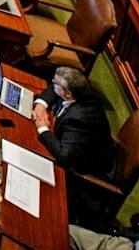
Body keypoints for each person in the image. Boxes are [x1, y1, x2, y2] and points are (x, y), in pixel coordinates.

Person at [33, 65, 116, 211]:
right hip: (75, 146)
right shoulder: (81, 91)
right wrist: (41, 104)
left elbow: (65, 156)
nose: (52, 84)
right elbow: (54, 90)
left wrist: (42, 128)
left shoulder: (79, 120)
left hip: (85, 172)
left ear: (68, 94)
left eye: (56, 83)